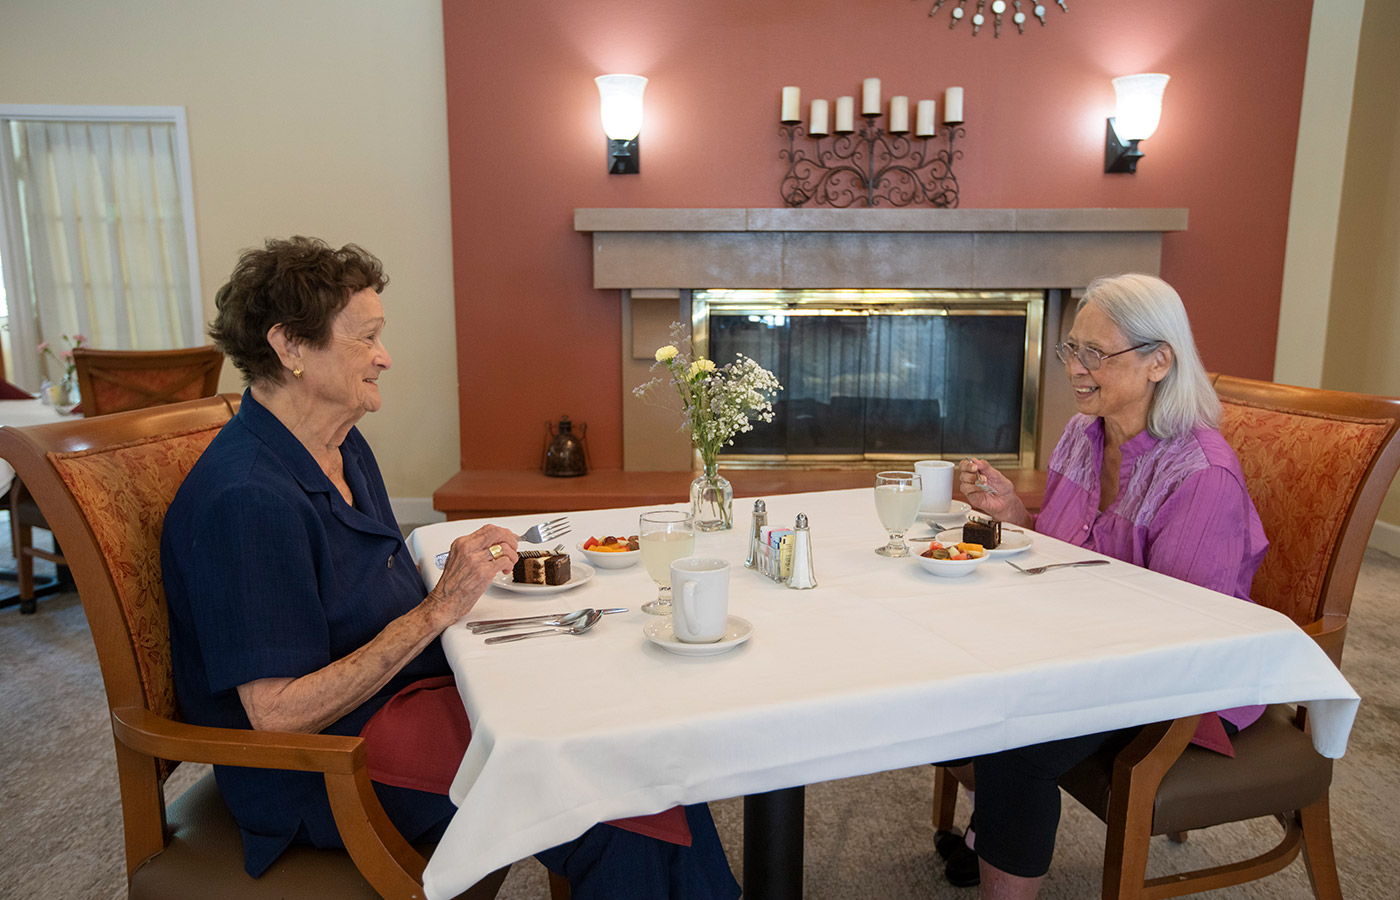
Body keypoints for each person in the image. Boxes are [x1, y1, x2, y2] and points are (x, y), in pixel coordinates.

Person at [161, 236, 740, 899]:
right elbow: (278, 716)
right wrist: (438, 608)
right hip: (326, 769)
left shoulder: (338, 448)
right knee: (612, 786)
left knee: (624, 738)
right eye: (366, 338)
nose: (385, 357)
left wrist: (453, 594)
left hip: (396, 705)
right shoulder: (248, 500)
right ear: (291, 346)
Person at [935, 273, 1268, 898]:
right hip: (1077, 643)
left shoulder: (1201, 475)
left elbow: (1183, 631)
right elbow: (1068, 549)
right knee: (939, 666)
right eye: (1072, 350)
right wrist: (1015, 517)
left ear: (1158, 362)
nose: (1076, 369)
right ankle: (992, 829)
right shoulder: (1084, 435)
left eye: (1097, 353)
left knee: (1013, 743)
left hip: (1170, 679)